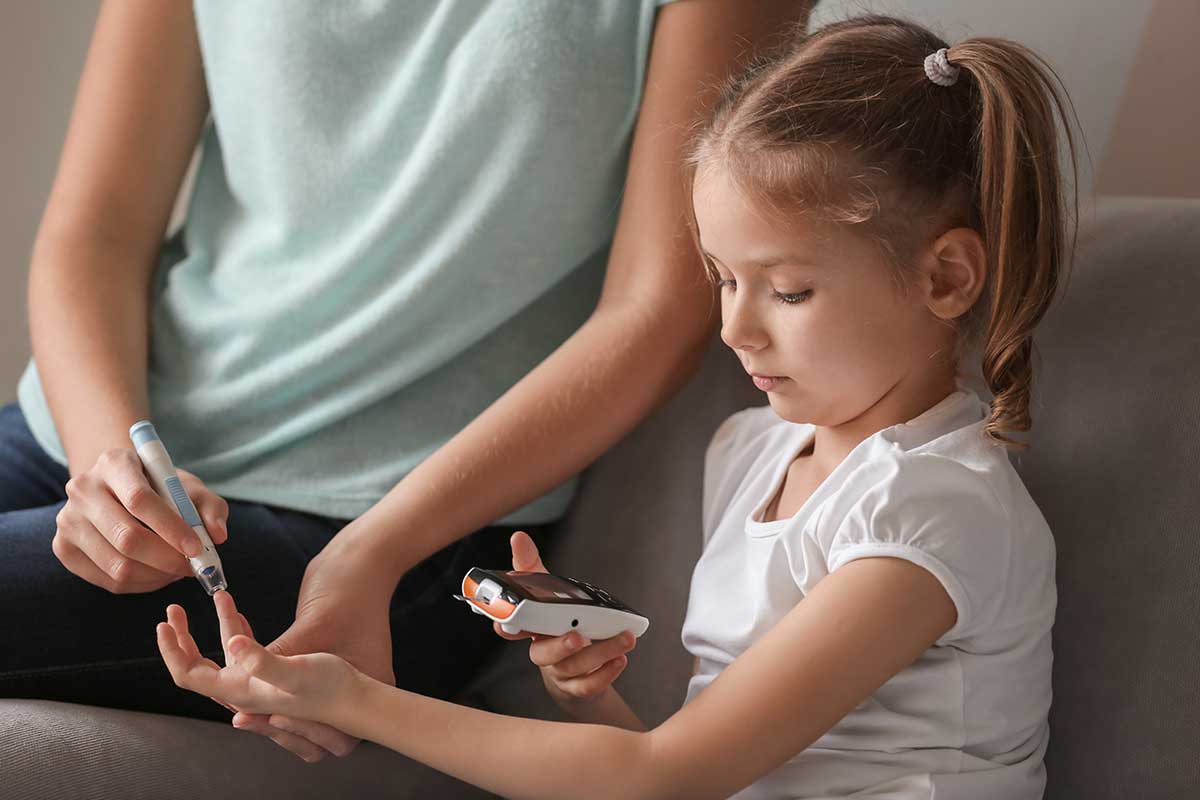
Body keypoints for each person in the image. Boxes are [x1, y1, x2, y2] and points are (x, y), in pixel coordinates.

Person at [155, 11, 1083, 799]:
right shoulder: (753, 451)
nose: (735, 331)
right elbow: (698, 761)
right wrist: (587, 691)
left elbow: (662, 777)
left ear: (947, 276)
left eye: (788, 291)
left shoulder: (935, 508)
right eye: (722, 280)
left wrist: (353, 699)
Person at [0, 0, 814, 763]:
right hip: (86, 437)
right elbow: (95, 231)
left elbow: (656, 313)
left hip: (390, 532)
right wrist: (107, 463)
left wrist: (368, 557)